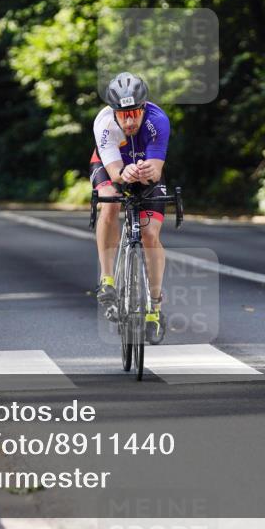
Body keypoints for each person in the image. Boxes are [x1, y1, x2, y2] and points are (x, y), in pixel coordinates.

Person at [90, 72, 170, 342]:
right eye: (123, 115)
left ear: (144, 108)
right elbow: (114, 172)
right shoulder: (103, 124)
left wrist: (146, 172)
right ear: (113, 112)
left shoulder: (158, 121)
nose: (130, 120)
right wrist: (124, 175)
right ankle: (107, 279)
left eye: (135, 113)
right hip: (110, 166)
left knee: (149, 235)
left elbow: (156, 172)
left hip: (145, 169)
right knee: (110, 203)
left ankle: (155, 307)